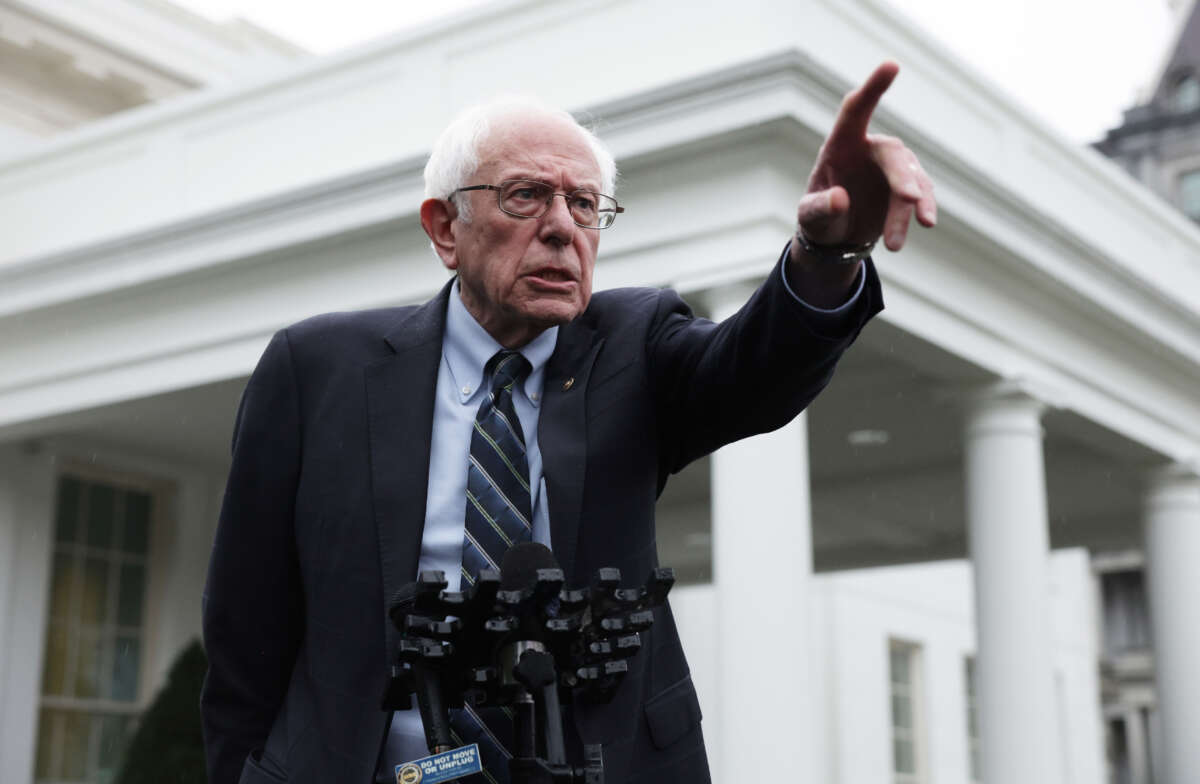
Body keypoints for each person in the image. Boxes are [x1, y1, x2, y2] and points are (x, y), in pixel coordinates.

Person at [200, 61, 936, 784]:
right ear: (444, 228)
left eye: (584, 205)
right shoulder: (318, 367)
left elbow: (755, 370)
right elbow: (247, 628)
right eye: (526, 196)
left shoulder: (636, 346)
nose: (561, 227)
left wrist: (826, 254)